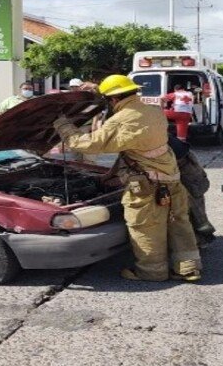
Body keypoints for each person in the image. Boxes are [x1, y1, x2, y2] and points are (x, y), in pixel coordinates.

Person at [53, 74, 201, 282]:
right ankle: (188, 268)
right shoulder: (153, 110)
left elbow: (84, 144)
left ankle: (152, 272)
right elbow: (132, 151)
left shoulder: (122, 120)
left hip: (148, 186)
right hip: (172, 178)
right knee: (179, 224)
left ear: (113, 100)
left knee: (146, 227)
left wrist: (62, 124)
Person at [167, 134, 216, 248]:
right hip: (179, 161)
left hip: (184, 165)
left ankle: (202, 238)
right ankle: (201, 237)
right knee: (192, 206)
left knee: (194, 207)